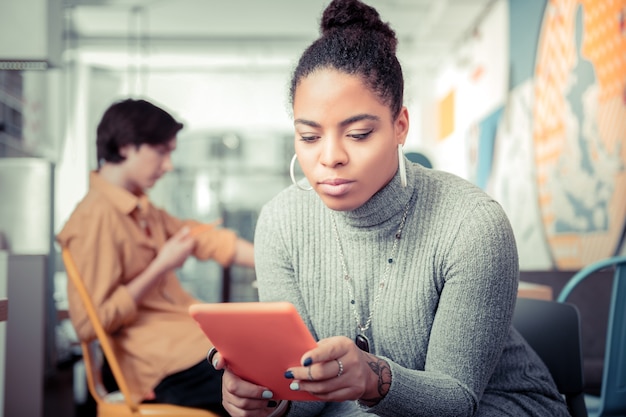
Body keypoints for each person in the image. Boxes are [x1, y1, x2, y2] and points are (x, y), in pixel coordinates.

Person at [210, 1, 570, 416]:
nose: (330, 157)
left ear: (400, 125)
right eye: (309, 137)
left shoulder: (473, 224)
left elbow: (457, 402)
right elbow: (305, 394)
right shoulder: (279, 222)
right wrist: (269, 403)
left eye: (359, 134)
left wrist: (373, 378)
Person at [57, 98, 254, 415]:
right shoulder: (95, 218)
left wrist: (273, 260)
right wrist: (161, 265)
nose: (169, 165)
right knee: (268, 389)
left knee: (270, 367)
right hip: (161, 367)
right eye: (162, 152)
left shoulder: (140, 209)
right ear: (125, 147)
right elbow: (86, 325)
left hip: (191, 346)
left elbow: (203, 240)